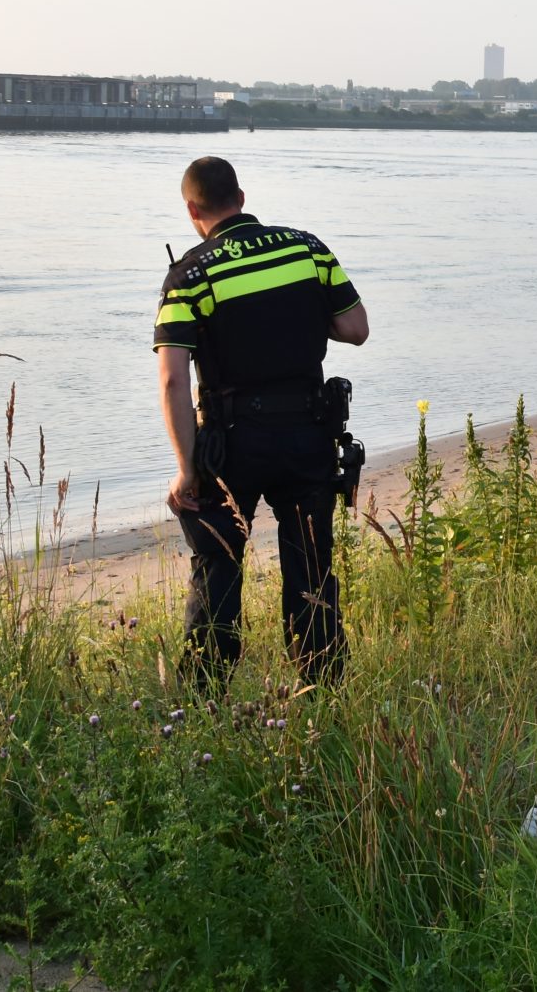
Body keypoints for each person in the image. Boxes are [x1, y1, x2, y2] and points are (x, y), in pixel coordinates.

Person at [154, 156, 369, 682]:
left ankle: (204, 705)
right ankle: (323, 693)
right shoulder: (308, 247)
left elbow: (173, 381)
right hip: (307, 434)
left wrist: (187, 469)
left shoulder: (190, 273)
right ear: (242, 198)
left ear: (192, 210)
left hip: (232, 445)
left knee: (218, 569)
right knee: (312, 570)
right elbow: (356, 328)